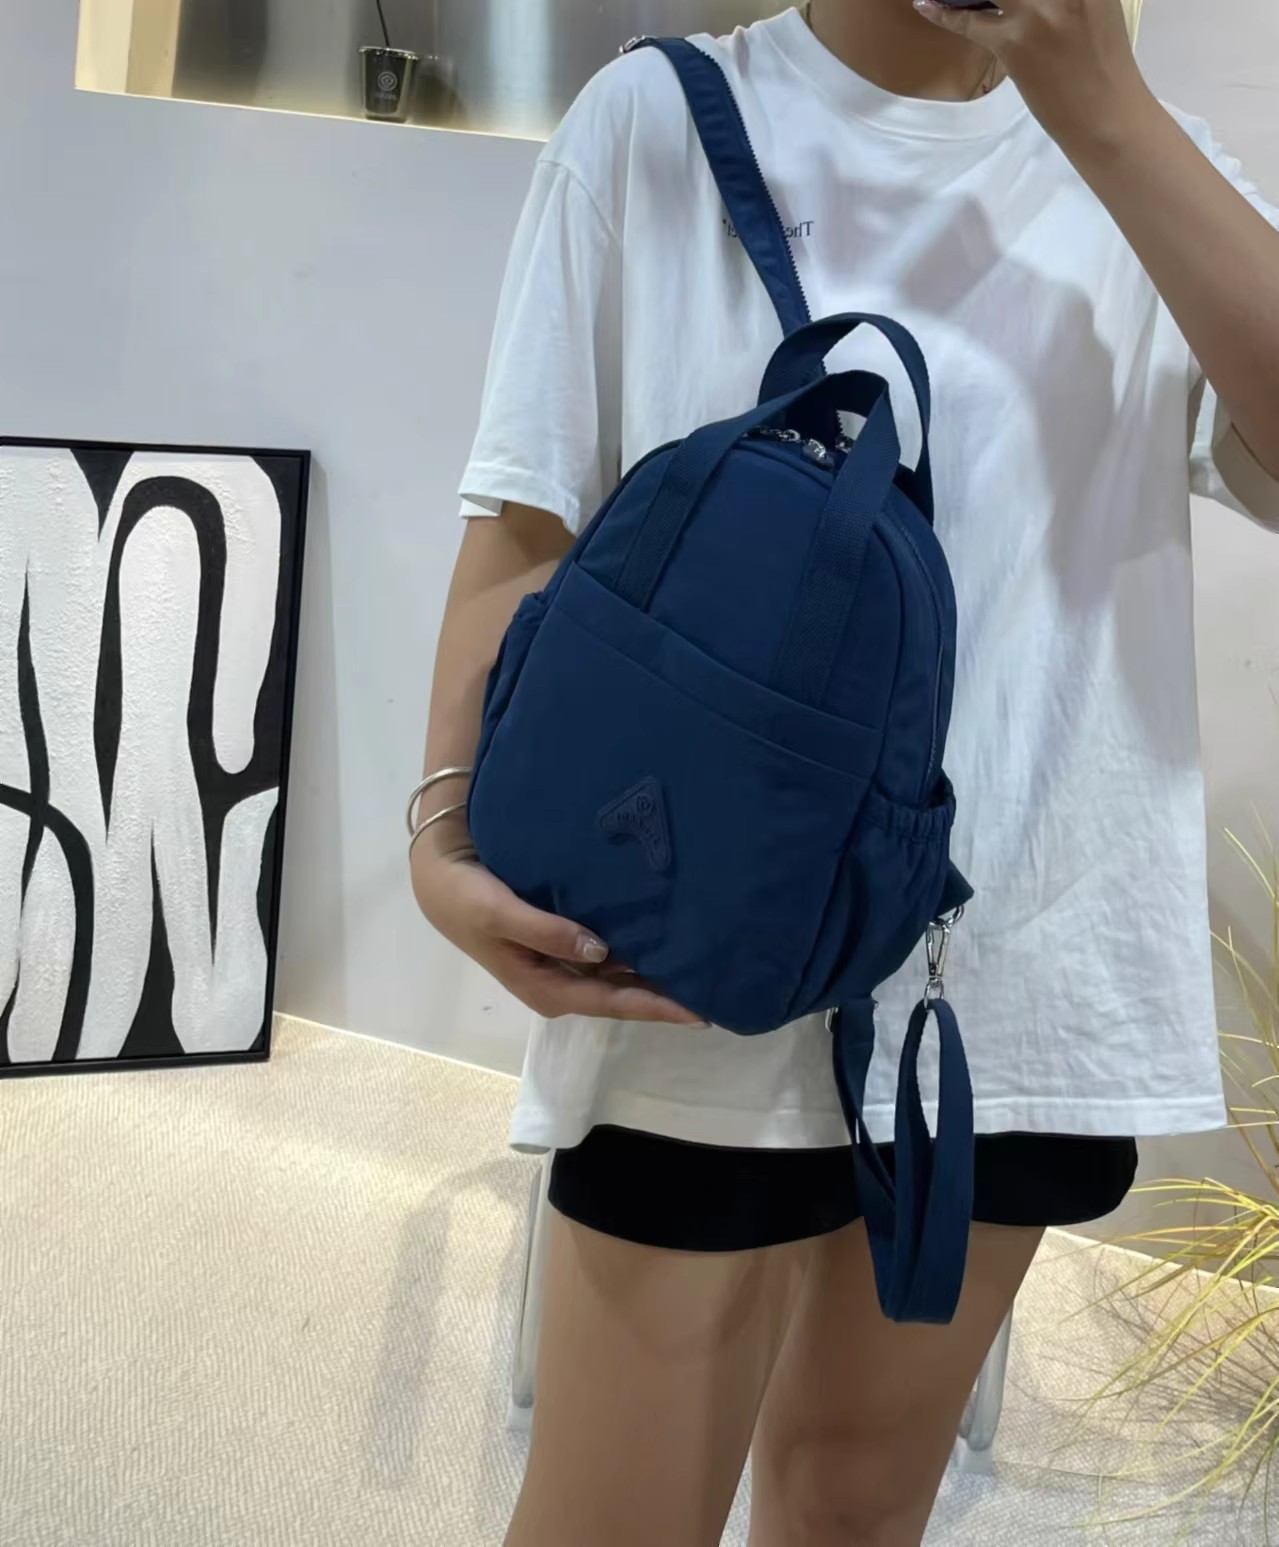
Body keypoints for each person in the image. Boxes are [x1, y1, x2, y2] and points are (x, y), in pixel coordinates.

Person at [413, 3, 1279, 1542]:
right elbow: (529, 515)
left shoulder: (1150, 169)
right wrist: (444, 829)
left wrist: (1105, 109)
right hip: (685, 956)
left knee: (853, 1508)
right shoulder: (656, 124)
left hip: (1012, 982)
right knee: (611, 1521)